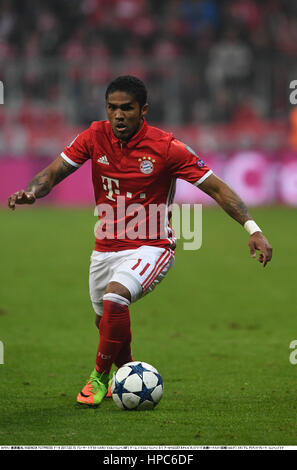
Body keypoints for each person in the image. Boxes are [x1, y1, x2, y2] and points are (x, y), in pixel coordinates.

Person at [8, 75, 272, 407]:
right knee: (105, 321)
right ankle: (128, 373)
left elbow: (217, 188)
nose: (118, 115)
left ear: (143, 110)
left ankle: (98, 378)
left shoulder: (167, 147)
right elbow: (53, 172)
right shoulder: (94, 136)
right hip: (105, 247)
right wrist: (32, 192)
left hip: (153, 245)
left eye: (126, 108)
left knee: (115, 298)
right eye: (112, 108)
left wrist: (253, 229)